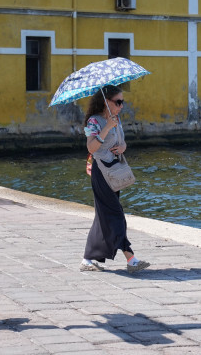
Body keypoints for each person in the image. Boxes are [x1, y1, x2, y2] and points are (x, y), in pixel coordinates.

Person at [80, 85, 150, 273]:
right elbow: (91, 148)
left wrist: (123, 147)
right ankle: (131, 259)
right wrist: (106, 128)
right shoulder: (93, 121)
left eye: (122, 102)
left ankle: (88, 259)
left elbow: (121, 141)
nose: (121, 106)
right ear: (106, 102)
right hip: (101, 172)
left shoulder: (116, 119)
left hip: (114, 172)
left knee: (103, 216)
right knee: (115, 214)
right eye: (118, 102)